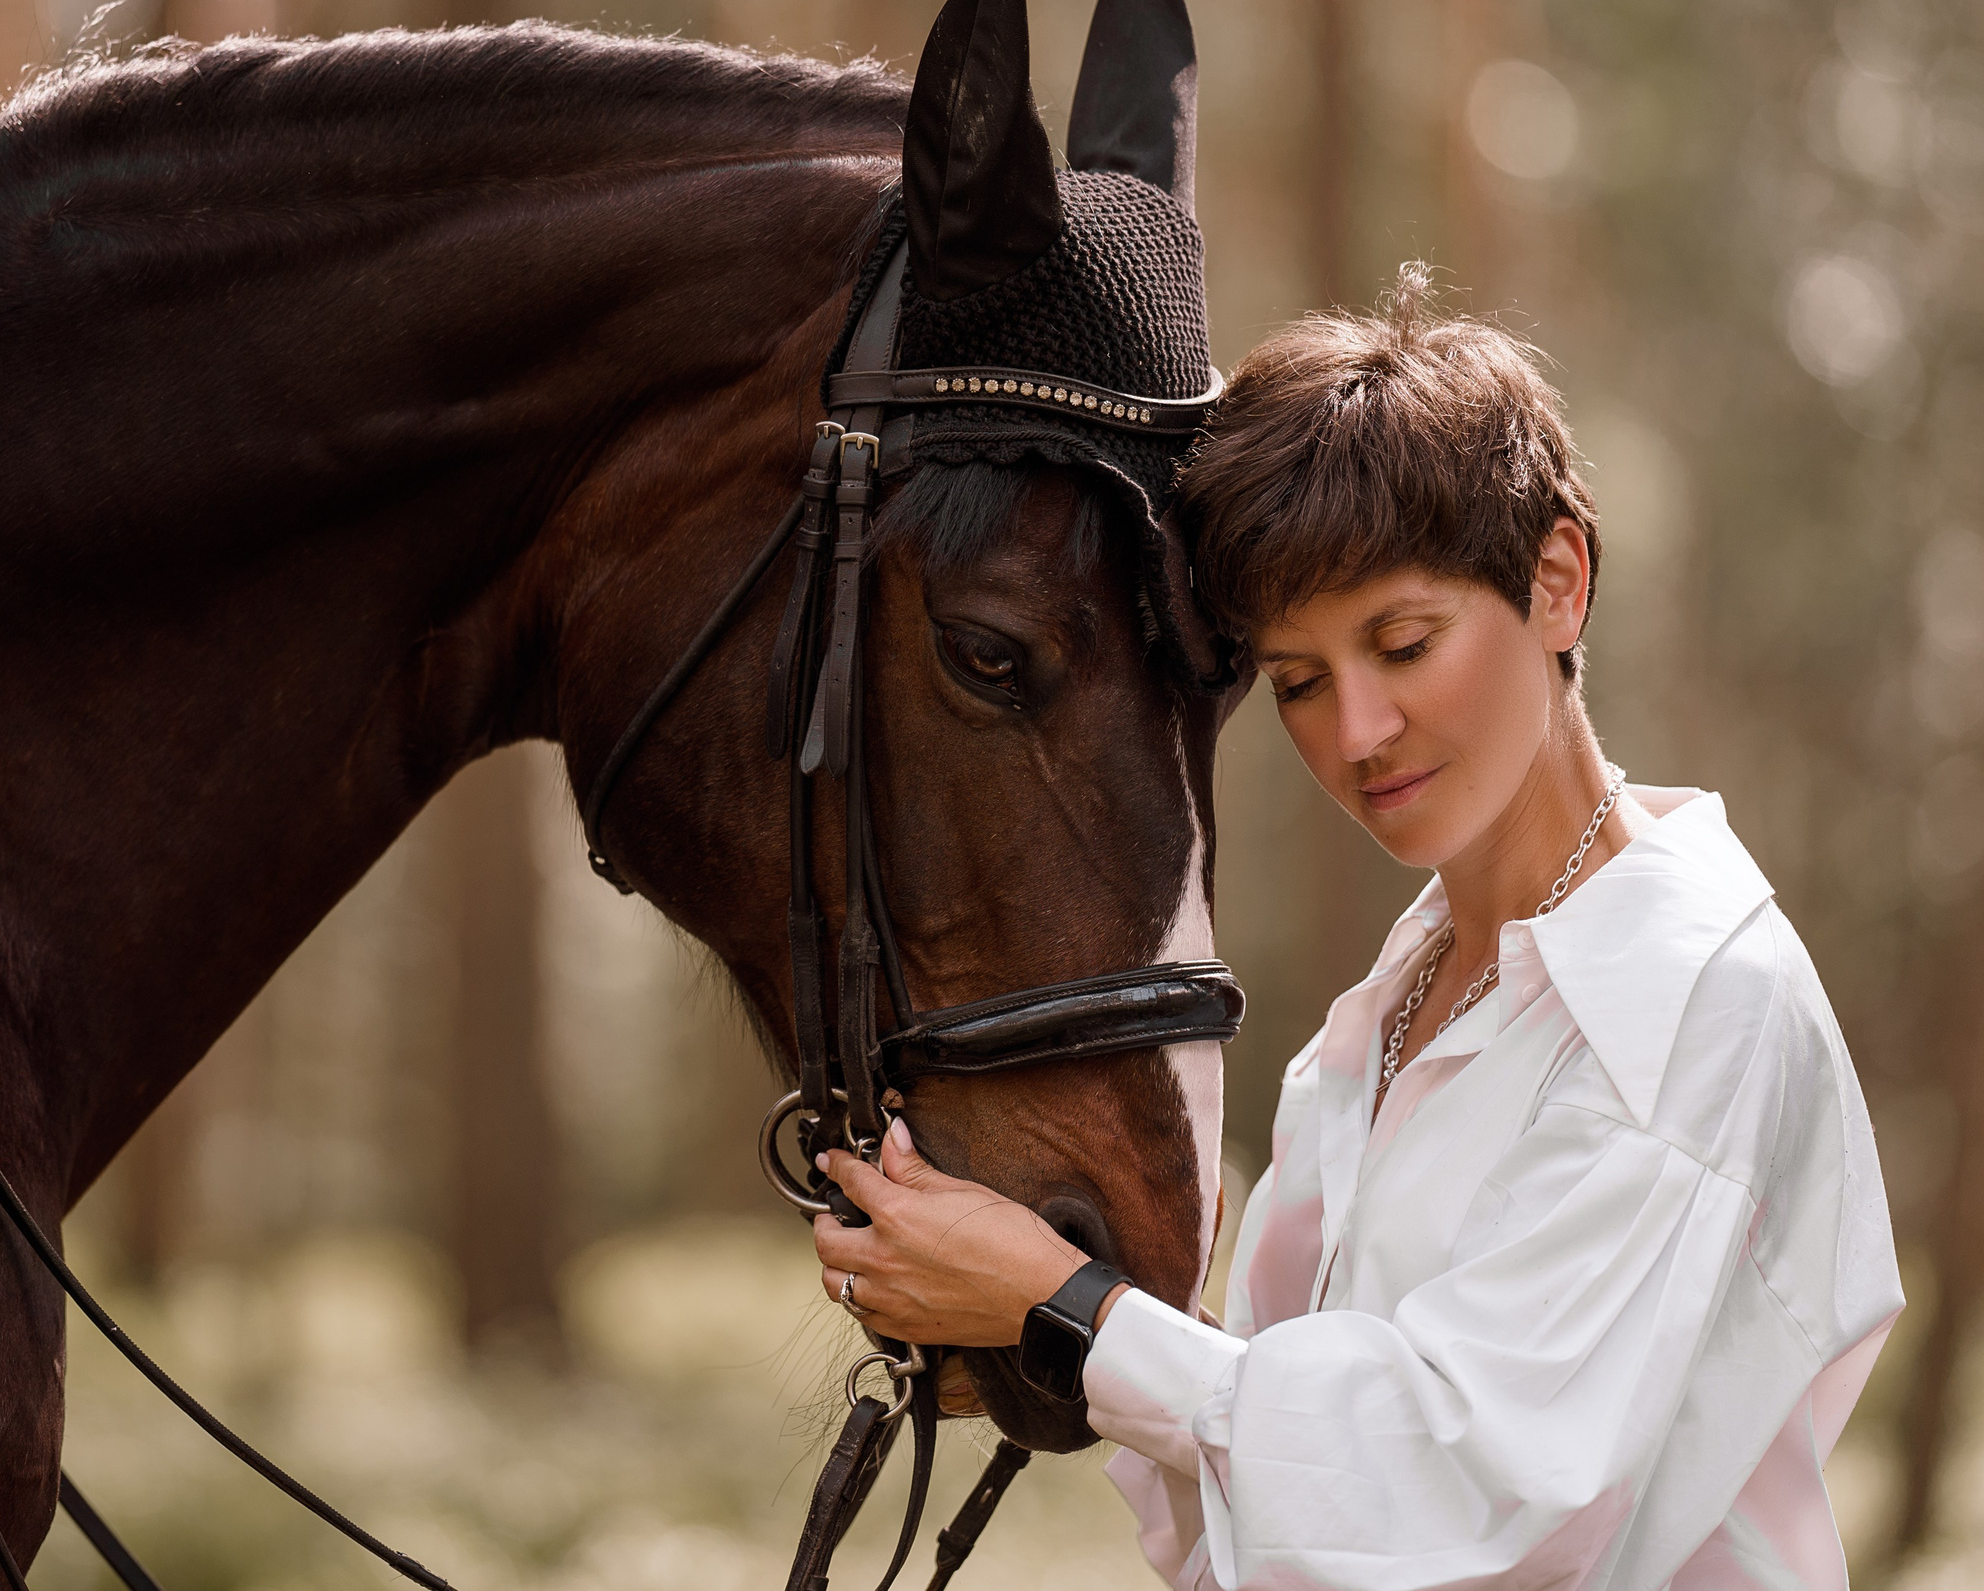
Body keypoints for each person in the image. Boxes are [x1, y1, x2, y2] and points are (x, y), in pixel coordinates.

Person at [809, 266, 1901, 1591]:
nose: (1356, 732)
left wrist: (1070, 1310)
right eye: (1299, 680)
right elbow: (1288, 1515)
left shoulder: (1688, 1004)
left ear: (1558, 581)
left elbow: (1470, 1503)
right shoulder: (1393, 1006)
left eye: (1403, 641)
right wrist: (1037, 1331)